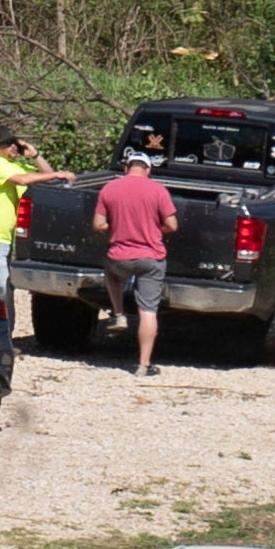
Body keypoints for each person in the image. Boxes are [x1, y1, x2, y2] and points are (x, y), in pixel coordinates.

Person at [93, 145, 178, 378]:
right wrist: (152, 227)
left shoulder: (109, 189)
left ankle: (118, 312)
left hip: (120, 257)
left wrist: (119, 225)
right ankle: (143, 365)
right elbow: (172, 225)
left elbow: (98, 225)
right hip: (151, 258)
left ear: (126, 167)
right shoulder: (158, 190)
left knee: (110, 272)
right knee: (148, 311)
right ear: (148, 170)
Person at [0, 124, 57, 300]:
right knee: (1, 291)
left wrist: (35, 155)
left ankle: (2, 326)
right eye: (7, 144)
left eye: (14, 143)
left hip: (2, 240)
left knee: (1, 290)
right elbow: (22, 180)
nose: (13, 147)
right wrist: (58, 175)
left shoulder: (14, 165)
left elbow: (47, 175)